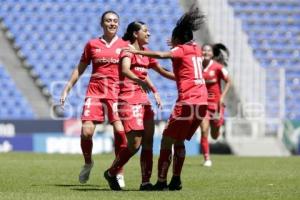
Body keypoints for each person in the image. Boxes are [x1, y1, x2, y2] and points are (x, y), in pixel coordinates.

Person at [122, 5, 207, 190]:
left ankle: (161, 182)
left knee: (166, 139)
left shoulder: (180, 50)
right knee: (179, 140)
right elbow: (182, 58)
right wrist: (178, 44)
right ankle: (176, 180)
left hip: (188, 101)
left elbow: (162, 55)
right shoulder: (197, 49)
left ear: (178, 40)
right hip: (203, 101)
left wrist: (137, 52)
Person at [103, 21, 175, 191]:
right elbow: (126, 70)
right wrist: (140, 80)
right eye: (145, 31)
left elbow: (162, 71)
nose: (149, 34)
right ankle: (112, 172)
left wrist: (184, 78)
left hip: (144, 101)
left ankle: (145, 182)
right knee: (135, 144)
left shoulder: (146, 54)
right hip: (128, 99)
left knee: (149, 141)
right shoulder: (127, 50)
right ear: (136, 34)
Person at [60, 11, 128, 187]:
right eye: (108, 21)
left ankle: (118, 170)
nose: (112, 23)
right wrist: (67, 88)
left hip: (116, 93)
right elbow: (80, 68)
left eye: (115, 21)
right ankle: (88, 162)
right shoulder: (92, 44)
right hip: (95, 93)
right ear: (102, 23)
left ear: (118, 24)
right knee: (86, 132)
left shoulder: (125, 45)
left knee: (121, 133)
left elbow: (136, 66)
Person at [199, 43, 231, 167]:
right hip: (203, 105)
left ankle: (217, 128)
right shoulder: (198, 67)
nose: (206, 53)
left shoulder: (217, 67)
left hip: (216, 106)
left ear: (212, 54)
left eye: (208, 51)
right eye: (204, 51)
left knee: (215, 134)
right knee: (203, 130)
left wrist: (222, 97)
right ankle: (207, 158)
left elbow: (229, 81)